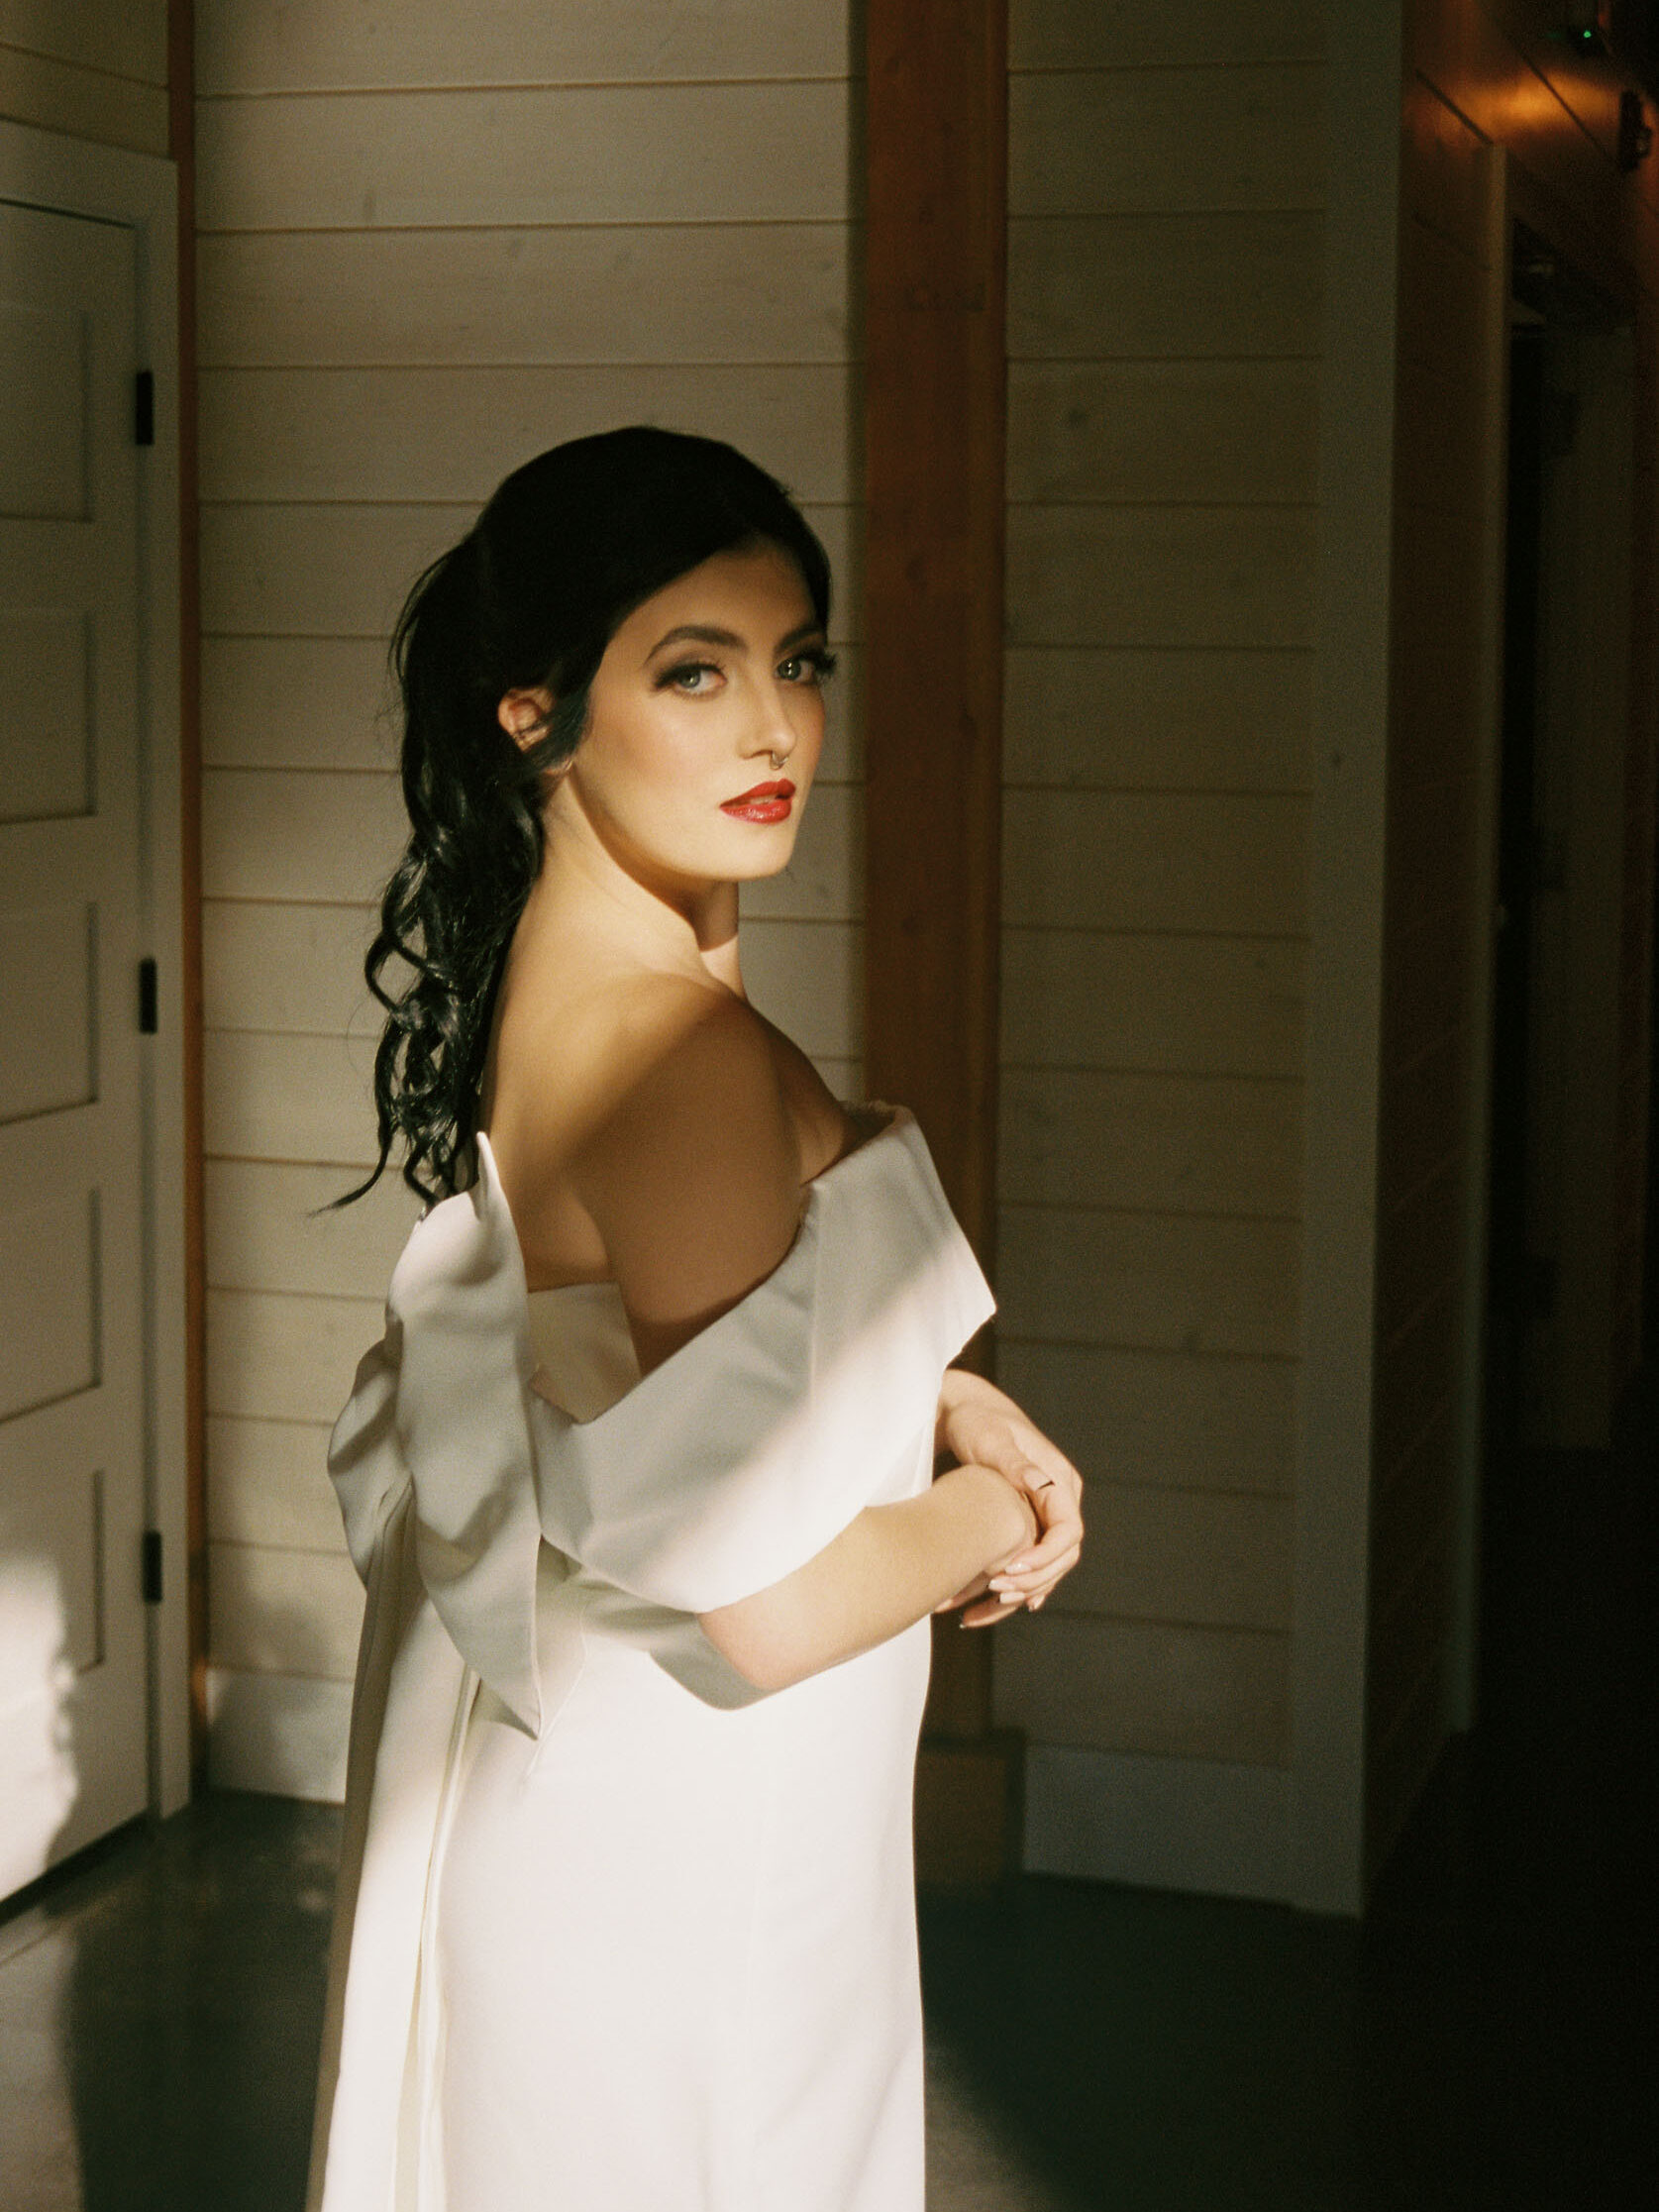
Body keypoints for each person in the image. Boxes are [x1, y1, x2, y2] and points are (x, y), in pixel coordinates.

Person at [308, 426, 1084, 2212]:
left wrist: (949, 1408)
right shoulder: (682, 1054)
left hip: (614, 1820)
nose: (774, 730)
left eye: (797, 663)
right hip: (694, 1844)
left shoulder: (582, 989)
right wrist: (1013, 1514)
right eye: (694, 671)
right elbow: (756, 1603)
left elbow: (669, 1369)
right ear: (537, 712)